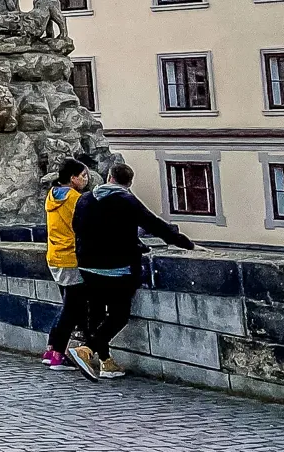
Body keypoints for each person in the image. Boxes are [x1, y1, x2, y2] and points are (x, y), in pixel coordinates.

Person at [68, 163, 195, 381]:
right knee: (118, 316)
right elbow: (155, 225)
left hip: (87, 265)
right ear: (129, 183)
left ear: (109, 177)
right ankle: (87, 349)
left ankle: (107, 364)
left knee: (96, 314)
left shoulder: (85, 199)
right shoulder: (127, 201)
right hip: (116, 268)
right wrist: (185, 243)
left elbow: (76, 227)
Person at [41, 158, 94, 369]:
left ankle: (52, 351)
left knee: (69, 305)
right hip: (71, 257)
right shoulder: (75, 199)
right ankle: (56, 352)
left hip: (55, 255)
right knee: (71, 308)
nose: (86, 179)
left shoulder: (52, 196)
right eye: (83, 176)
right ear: (72, 178)